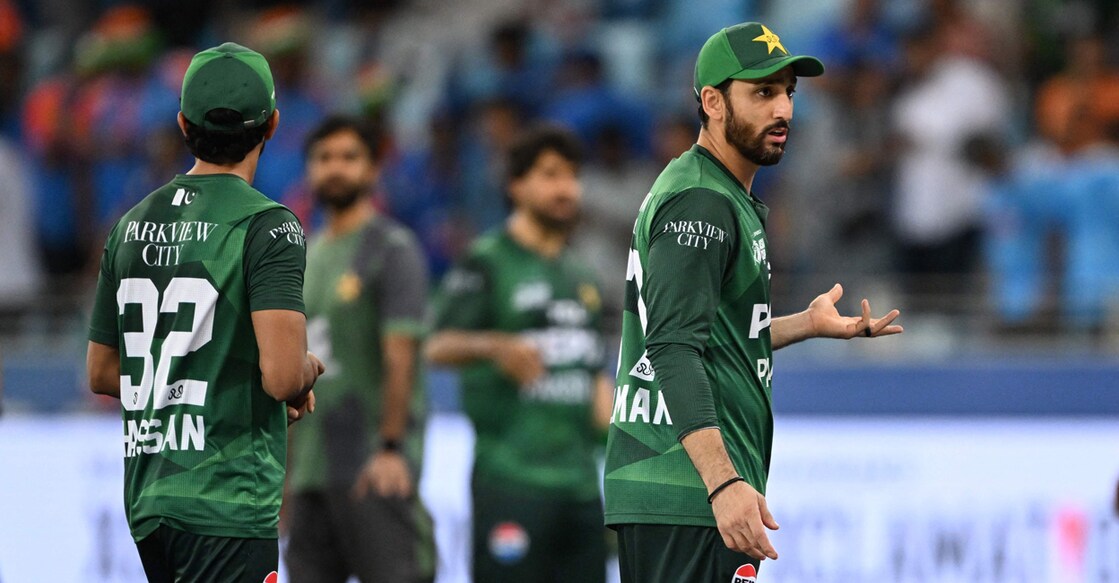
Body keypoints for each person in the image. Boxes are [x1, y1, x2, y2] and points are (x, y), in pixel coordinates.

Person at [602, 22, 903, 582]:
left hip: (689, 491)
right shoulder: (701, 204)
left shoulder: (716, 194)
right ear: (713, 102)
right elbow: (670, 347)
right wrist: (723, 484)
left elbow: (708, 330)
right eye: (762, 93)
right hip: (686, 489)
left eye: (789, 91)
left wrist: (802, 325)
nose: (783, 109)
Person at [85, 42, 324, 582]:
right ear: (273, 125)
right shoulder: (269, 226)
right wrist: (307, 369)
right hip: (228, 499)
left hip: (149, 499)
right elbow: (283, 375)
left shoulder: (129, 225)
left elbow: (101, 372)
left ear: (182, 124)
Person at [426, 125, 614, 583]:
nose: (565, 187)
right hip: (511, 481)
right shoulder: (487, 261)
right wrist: (494, 344)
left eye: (572, 175)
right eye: (549, 175)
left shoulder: (581, 276)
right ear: (516, 185)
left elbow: (594, 381)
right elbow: (434, 345)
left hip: (581, 488)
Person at [284, 116, 436, 583]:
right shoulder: (302, 257)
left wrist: (391, 447)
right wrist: (285, 478)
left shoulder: (391, 248)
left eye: (349, 158)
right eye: (324, 158)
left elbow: (401, 355)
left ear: (373, 170)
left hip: (373, 467)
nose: (336, 169)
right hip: (309, 474)